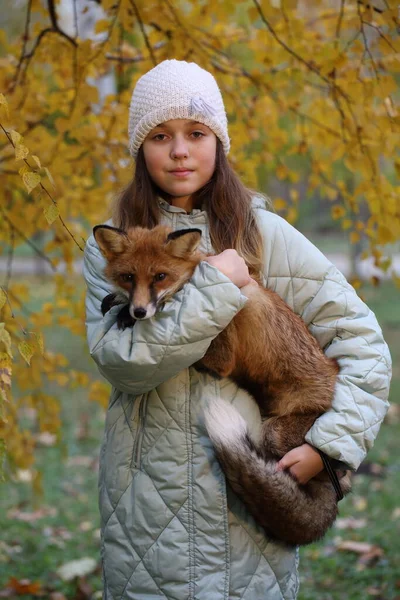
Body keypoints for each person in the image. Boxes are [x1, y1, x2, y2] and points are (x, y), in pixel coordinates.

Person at [83, 60, 391, 600]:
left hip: (245, 515)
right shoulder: (112, 248)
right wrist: (217, 287)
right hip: (147, 509)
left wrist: (329, 446)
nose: (179, 151)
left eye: (196, 133)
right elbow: (126, 364)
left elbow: (363, 342)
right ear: (140, 149)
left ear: (218, 143)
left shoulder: (265, 233)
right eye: (160, 135)